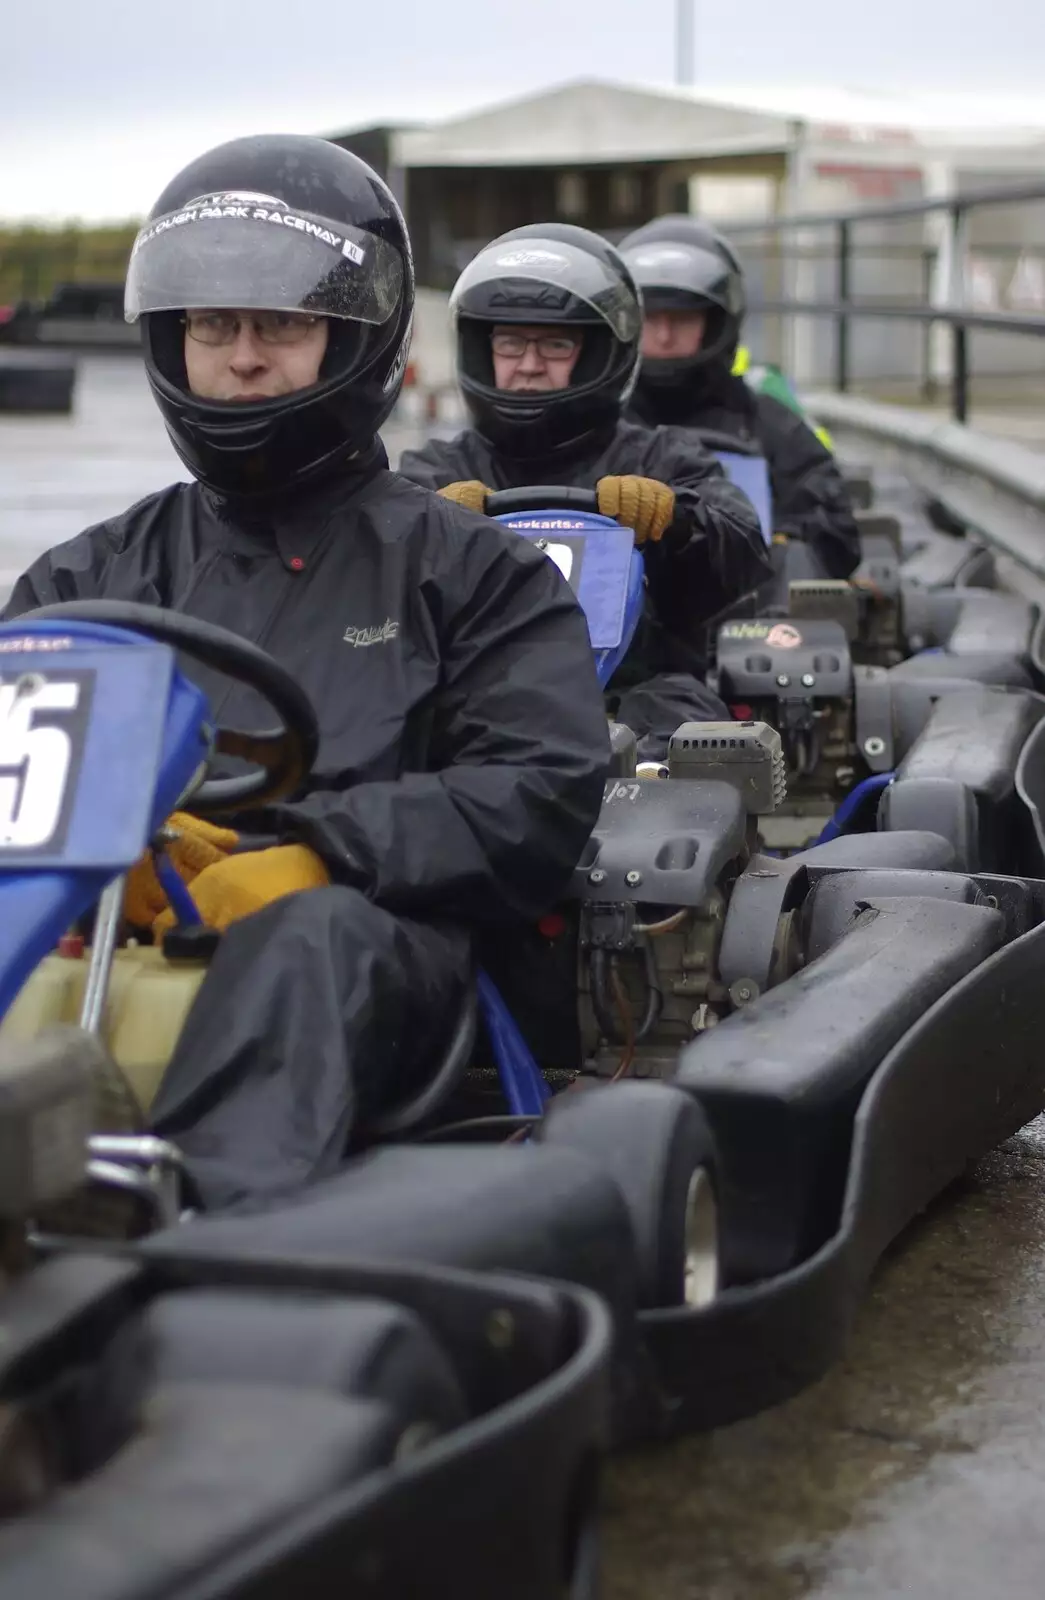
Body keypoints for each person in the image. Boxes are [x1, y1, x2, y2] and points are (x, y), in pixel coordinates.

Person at [2, 135, 612, 1211]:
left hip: (371, 946)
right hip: (112, 934)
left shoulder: (474, 572)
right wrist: (114, 851)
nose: (240, 359)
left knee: (310, 938)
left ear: (354, 340)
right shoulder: (88, 574)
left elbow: (537, 792)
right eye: (212, 327)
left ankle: (193, 1230)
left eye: (279, 325)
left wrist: (317, 851)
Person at [396, 222, 771, 761]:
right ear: (482, 349)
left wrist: (675, 518)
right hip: (474, 697)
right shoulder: (437, 472)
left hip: (637, 699)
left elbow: (745, 548)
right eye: (509, 343)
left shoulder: (662, 458)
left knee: (685, 717)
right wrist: (428, 529)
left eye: (555, 343)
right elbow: (362, 569)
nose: (528, 364)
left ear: (598, 352)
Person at [619, 215, 861, 580]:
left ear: (716, 322)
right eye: (652, 319)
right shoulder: (594, 423)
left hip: (744, 614)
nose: (665, 337)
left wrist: (778, 543)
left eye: (682, 319)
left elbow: (835, 531)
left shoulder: (767, 422)